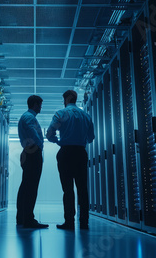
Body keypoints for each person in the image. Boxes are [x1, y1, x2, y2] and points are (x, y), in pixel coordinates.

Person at [46, 90, 95, 230]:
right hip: (80, 153)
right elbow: (91, 138)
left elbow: (50, 133)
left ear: (66, 99)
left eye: (64, 99)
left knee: (68, 189)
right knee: (82, 189)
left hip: (66, 153)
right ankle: (84, 222)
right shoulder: (86, 116)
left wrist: (57, 141)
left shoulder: (61, 114)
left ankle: (69, 222)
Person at [16, 95, 48, 229]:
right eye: (40, 104)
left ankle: (22, 218)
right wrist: (40, 145)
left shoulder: (27, 116)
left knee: (26, 186)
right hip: (32, 152)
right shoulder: (29, 117)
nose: (41, 107)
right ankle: (29, 219)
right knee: (31, 187)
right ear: (34, 104)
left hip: (29, 152)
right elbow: (31, 131)